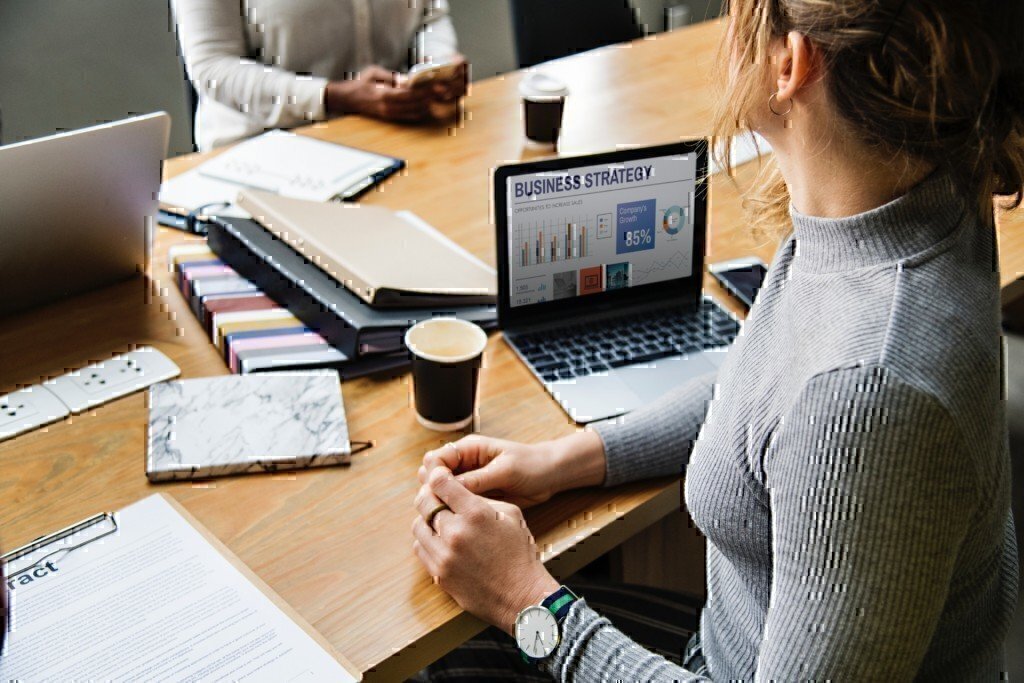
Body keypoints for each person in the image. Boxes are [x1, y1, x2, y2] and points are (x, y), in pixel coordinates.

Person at [410, 0, 1023, 679]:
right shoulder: (907, 196)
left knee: (444, 655)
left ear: (789, 64)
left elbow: (829, 399)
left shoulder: (865, 393)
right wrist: (567, 460)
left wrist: (527, 600)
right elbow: (764, 381)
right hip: (731, 642)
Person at [171, 0, 467, 151]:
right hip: (264, 153)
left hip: (400, 135)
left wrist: (434, 67)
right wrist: (333, 97)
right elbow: (213, 66)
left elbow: (430, 13)